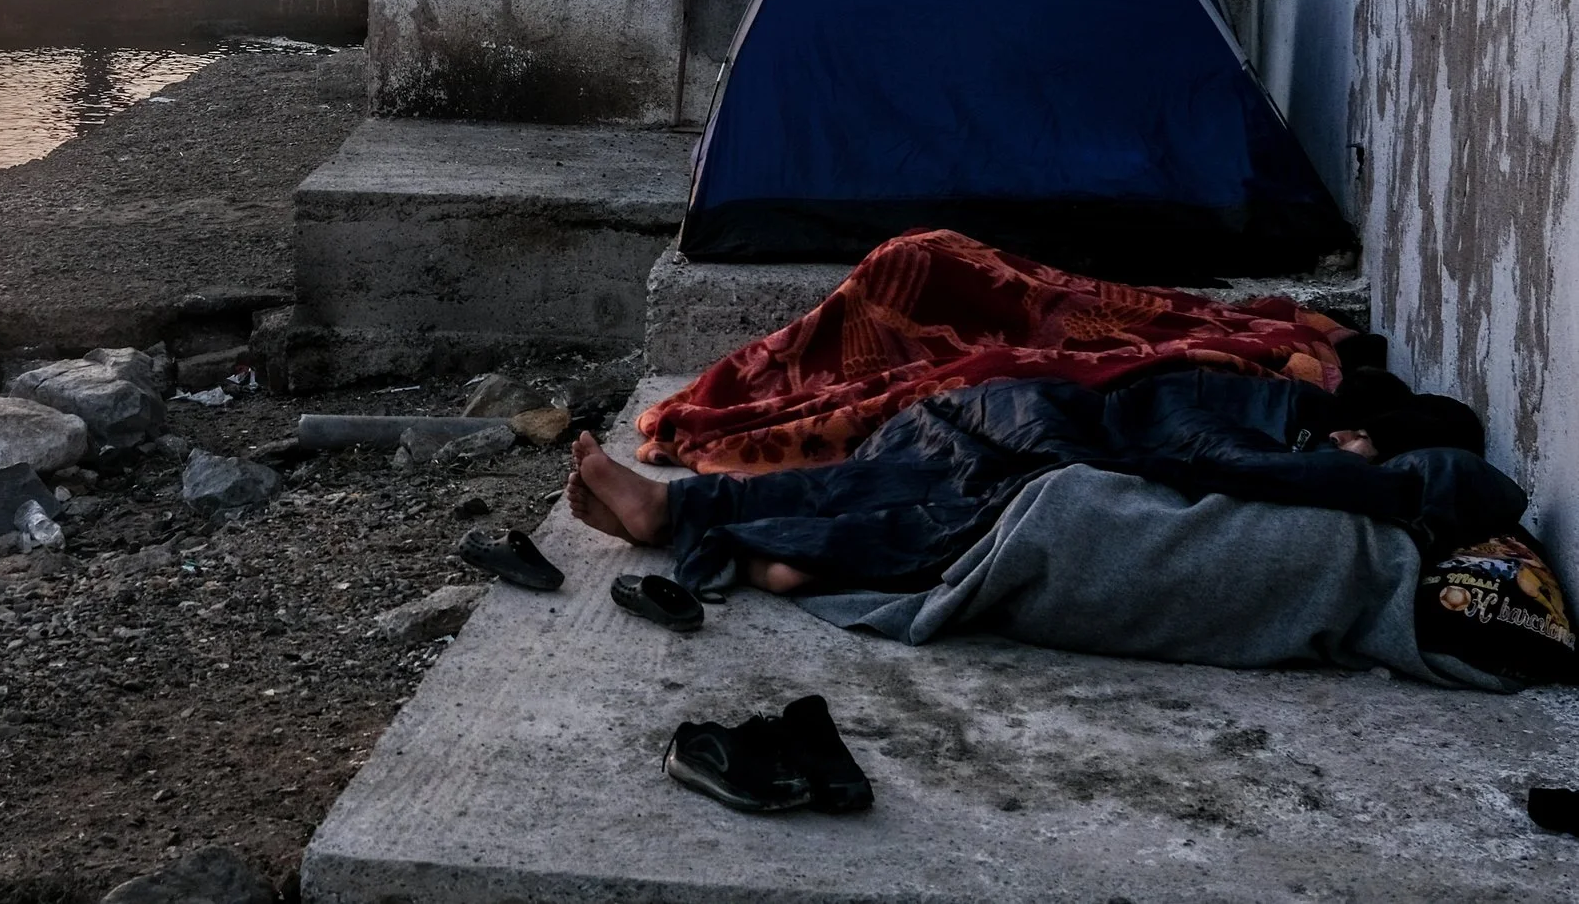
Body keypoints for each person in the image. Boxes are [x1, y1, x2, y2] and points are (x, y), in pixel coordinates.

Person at [566, 367, 1512, 599]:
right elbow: (1207, 457)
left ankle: (692, 511)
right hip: (1038, 428)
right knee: (924, 485)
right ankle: (702, 517)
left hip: (1030, 430)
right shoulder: (1271, 424)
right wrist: (1373, 483)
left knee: (909, 484)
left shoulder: (1266, 415)